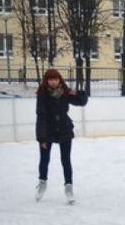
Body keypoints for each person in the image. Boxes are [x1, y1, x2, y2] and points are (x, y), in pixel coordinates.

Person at [34, 68, 88, 204]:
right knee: (44, 159)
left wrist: (79, 92)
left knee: (66, 160)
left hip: (64, 129)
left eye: (56, 79)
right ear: (46, 81)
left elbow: (81, 102)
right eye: (51, 79)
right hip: (48, 130)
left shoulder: (65, 92)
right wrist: (42, 138)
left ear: (60, 80)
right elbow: (40, 116)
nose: (53, 82)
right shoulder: (42, 94)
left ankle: (68, 187)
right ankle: (42, 183)